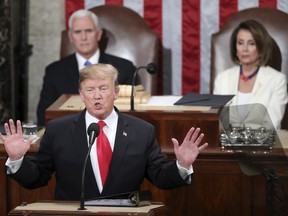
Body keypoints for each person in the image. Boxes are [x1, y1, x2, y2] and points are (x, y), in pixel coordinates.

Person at [1, 63, 208, 201]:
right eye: (90, 90)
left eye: (103, 88)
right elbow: (37, 177)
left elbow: (161, 177)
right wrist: (17, 160)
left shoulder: (141, 131)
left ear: (116, 92)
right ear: (82, 95)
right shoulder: (58, 130)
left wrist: (182, 165)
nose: (96, 96)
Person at [37, 9, 139, 126]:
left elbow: (131, 116)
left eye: (88, 31)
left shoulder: (124, 68)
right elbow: (43, 116)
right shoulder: (54, 71)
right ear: (71, 36)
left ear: (98, 34)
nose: (83, 37)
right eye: (78, 32)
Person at [213, 19, 288, 130]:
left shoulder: (277, 80)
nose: (245, 49)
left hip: (263, 145)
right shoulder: (222, 78)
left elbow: (272, 124)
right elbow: (218, 121)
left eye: (251, 43)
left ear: (261, 47)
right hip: (227, 144)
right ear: (235, 48)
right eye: (240, 43)